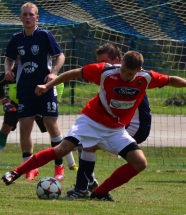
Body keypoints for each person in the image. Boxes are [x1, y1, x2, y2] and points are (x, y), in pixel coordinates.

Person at [1, 50, 186, 201]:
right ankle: (15, 172)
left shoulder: (145, 78)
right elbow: (74, 73)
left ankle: (99, 193)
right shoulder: (105, 71)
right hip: (91, 121)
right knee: (62, 149)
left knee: (140, 162)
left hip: (115, 130)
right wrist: (47, 86)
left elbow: (169, 80)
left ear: (139, 70)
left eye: (129, 74)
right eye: (122, 70)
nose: (124, 75)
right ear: (120, 63)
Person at [65, 42, 152, 199]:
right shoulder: (114, 76)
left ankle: (86, 187)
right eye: (99, 62)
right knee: (86, 145)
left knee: (85, 144)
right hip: (121, 125)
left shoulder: (131, 78)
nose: (101, 65)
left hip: (134, 127)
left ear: (118, 60)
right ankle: (89, 186)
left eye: (103, 61)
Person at [2, 2, 77, 181]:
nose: (28, 17)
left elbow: (60, 56)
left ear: (37, 17)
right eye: (25, 14)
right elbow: (9, 58)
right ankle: (30, 167)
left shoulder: (45, 35)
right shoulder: (16, 38)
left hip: (45, 88)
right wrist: (8, 70)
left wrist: (53, 74)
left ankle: (59, 167)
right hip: (24, 88)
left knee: (51, 125)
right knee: (25, 127)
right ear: (20, 17)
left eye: (31, 14)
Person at [0, 66, 77, 175]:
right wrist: (5, 102)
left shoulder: (43, 70)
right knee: (6, 127)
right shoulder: (14, 72)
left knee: (53, 130)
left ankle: (71, 163)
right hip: (17, 103)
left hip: (40, 102)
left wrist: (54, 101)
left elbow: (60, 84)